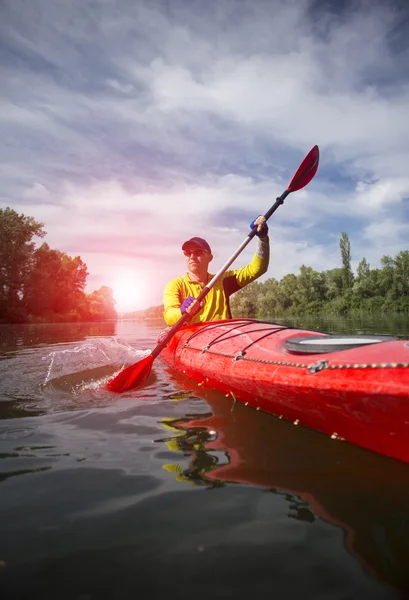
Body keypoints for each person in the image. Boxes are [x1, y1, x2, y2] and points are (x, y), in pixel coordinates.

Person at [163, 216, 269, 326]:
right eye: (187, 252)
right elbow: (169, 317)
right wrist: (182, 311)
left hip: (222, 338)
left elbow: (257, 269)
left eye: (198, 252)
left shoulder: (223, 280)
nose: (192, 256)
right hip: (192, 340)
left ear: (210, 257)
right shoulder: (175, 285)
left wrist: (263, 239)